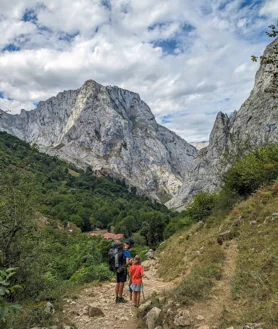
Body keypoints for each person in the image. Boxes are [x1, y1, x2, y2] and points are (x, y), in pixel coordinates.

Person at [115, 238, 134, 303]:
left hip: (117, 268)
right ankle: (120, 298)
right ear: (129, 245)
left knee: (117, 283)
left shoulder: (119, 250)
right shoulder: (126, 252)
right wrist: (131, 261)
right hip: (123, 269)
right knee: (122, 283)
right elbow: (127, 262)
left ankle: (117, 297)